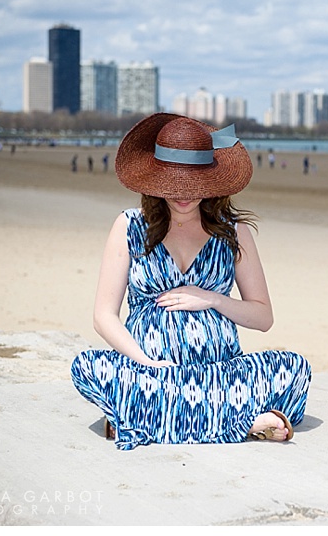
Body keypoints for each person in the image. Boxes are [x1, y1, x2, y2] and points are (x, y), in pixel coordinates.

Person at [71, 113, 312, 450]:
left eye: (193, 185)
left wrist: (211, 298)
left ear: (211, 182)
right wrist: (146, 362)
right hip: (152, 372)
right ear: (156, 180)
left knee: (296, 368)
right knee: (85, 367)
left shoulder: (233, 232)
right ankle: (237, 420)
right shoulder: (128, 226)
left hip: (220, 374)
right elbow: (103, 317)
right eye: (174, 184)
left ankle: (147, 415)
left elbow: (263, 318)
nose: (183, 196)